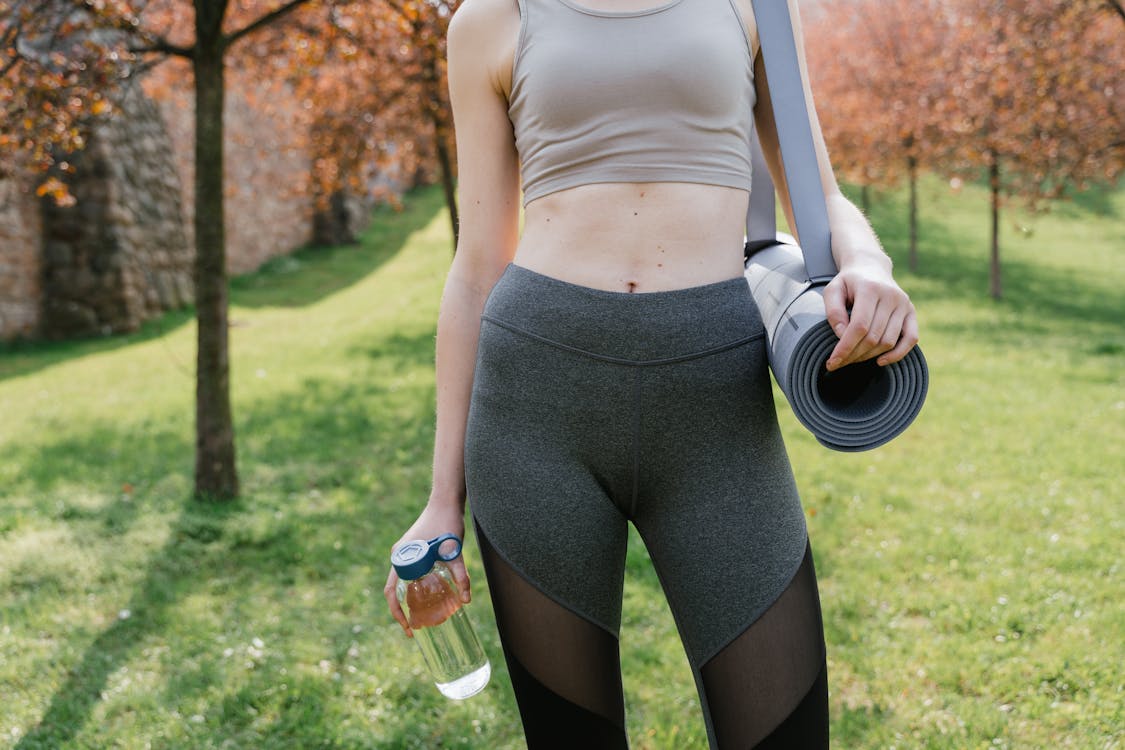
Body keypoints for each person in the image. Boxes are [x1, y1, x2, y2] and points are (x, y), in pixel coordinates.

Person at [384, 0, 919, 746]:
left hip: (715, 408)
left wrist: (867, 262)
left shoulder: (755, 5)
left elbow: (816, 192)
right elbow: (477, 267)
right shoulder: (490, 18)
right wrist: (442, 500)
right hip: (536, 411)